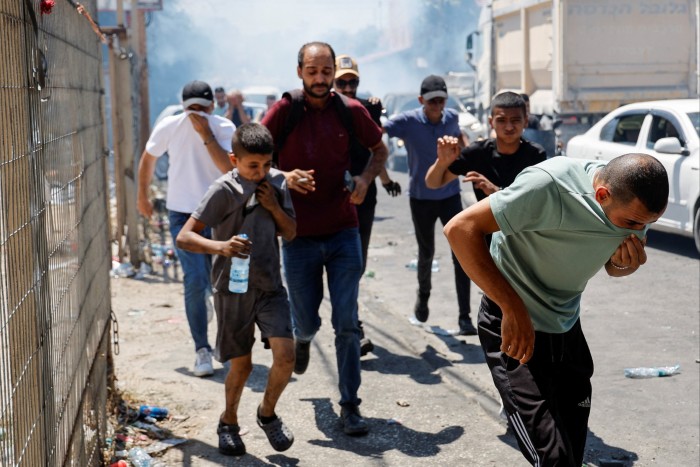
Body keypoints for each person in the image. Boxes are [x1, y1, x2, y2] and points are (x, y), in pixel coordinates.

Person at [443, 153, 669, 466]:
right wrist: (512, 306)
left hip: (566, 329)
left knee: (572, 455)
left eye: (649, 224)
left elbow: (614, 267)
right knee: (554, 458)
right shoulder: (549, 185)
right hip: (513, 328)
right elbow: (460, 229)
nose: (640, 230)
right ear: (602, 195)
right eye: (633, 223)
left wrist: (623, 263)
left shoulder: (635, 209)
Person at [261, 41, 388, 436]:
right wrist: (284, 177)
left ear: (334, 72)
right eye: (312, 72)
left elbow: (379, 149)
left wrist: (366, 180)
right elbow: (253, 159)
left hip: (343, 232)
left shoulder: (351, 111)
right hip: (297, 236)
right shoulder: (284, 112)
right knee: (306, 319)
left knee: (347, 323)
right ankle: (301, 338)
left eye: (326, 72)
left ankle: (350, 406)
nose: (320, 79)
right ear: (299, 72)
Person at [175, 123, 296, 457]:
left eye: (266, 164)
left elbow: (291, 232)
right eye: (252, 166)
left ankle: (267, 414)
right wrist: (220, 247)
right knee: (241, 367)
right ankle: (228, 421)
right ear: (234, 159)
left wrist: (273, 206)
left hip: (270, 287)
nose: (260, 172)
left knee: (286, 357)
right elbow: (184, 236)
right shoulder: (222, 190)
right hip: (232, 291)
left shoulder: (277, 184)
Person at [137, 80, 235, 377]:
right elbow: (149, 157)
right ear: (183, 106)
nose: (197, 114)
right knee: (195, 281)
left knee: (221, 284)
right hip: (183, 216)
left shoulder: (224, 129)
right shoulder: (171, 125)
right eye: (191, 108)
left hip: (220, 214)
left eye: (202, 109)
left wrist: (206, 135)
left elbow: (228, 170)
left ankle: (225, 344)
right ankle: (201, 350)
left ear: (212, 106)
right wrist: (142, 195)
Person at [382, 74, 476, 335]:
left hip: (449, 196)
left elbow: (460, 137)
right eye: (432, 101)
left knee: (462, 254)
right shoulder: (408, 121)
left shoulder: (452, 118)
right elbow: (379, 131)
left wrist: (466, 152)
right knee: (427, 253)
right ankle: (423, 297)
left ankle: (465, 316)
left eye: (441, 101)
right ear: (422, 100)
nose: (437, 106)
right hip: (421, 198)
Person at [334, 53, 401, 356]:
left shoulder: (369, 108)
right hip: (331, 200)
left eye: (353, 82)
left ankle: (352, 325)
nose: (348, 87)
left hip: (364, 199)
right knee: (339, 267)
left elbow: (378, 150)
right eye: (342, 82)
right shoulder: (321, 109)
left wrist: (384, 181)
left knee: (355, 266)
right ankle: (346, 325)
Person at [426, 92, 546, 205]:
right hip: (487, 226)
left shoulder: (536, 155)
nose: (509, 127)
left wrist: (496, 191)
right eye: (501, 120)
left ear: (525, 121)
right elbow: (433, 183)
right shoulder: (477, 153)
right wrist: (441, 163)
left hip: (523, 226)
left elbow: (536, 200)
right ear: (491, 122)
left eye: (515, 120)